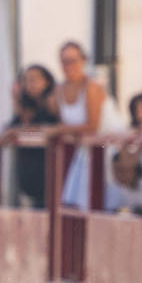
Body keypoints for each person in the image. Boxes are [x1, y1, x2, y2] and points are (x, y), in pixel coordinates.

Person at [54, 41, 124, 209]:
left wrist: (60, 130)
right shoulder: (59, 90)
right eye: (65, 61)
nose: (69, 66)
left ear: (83, 61)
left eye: (73, 61)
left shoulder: (92, 87)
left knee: (100, 202)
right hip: (84, 152)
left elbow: (93, 125)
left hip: (107, 151)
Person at [3, 63, 58, 208]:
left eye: (34, 79)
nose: (29, 84)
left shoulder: (52, 104)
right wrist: (17, 100)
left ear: (47, 81)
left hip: (52, 183)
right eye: (25, 80)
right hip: (33, 188)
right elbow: (9, 130)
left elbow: (49, 127)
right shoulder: (27, 108)